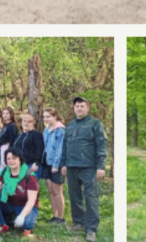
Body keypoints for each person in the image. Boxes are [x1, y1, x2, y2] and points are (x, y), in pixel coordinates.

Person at [62, 97, 108, 242]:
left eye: (82, 106)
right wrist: (64, 164)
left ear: (87, 108)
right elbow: (65, 147)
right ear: (74, 109)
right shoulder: (69, 126)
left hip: (89, 167)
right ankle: (78, 223)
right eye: (77, 106)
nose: (79, 108)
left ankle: (91, 229)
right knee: (74, 197)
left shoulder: (95, 124)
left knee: (91, 198)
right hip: (72, 167)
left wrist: (101, 166)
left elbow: (102, 145)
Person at [0, 148, 40, 238]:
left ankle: (26, 219)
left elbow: (31, 200)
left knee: (27, 225)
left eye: (14, 158)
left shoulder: (29, 176)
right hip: (9, 202)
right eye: (8, 159)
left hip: (24, 204)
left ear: (20, 159)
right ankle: (2, 225)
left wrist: (22, 215)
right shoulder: (4, 172)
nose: (11, 161)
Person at [41, 107, 67, 224]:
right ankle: (54, 215)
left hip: (56, 164)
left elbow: (60, 150)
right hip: (47, 162)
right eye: (44, 116)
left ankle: (61, 218)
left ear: (55, 117)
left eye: (48, 116)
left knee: (57, 190)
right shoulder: (46, 130)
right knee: (51, 190)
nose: (46, 119)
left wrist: (56, 165)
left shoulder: (60, 130)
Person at [13, 113, 45, 180]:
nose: (26, 123)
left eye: (29, 121)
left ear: (33, 123)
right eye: (24, 121)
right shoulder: (19, 135)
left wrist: (36, 163)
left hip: (31, 165)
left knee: (31, 188)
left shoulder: (36, 135)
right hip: (19, 166)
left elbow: (40, 149)